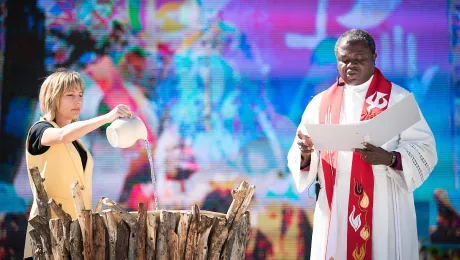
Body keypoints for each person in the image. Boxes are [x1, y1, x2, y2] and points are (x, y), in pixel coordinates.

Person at [287, 29, 437, 260]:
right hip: (335, 202)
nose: (351, 66)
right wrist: (305, 154)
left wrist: (390, 159)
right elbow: (301, 152)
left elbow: (425, 149)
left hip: (384, 199)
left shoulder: (398, 100)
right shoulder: (319, 104)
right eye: (344, 60)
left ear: (374, 57)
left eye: (359, 59)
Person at [23, 69, 133, 259]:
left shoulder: (78, 141)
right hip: (49, 228)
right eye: (70, 95)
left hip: (77, 231)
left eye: (80, 95)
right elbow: (62, 135)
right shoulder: (40, 130)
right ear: (54, 97)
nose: (78, 100)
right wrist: (107, 117)